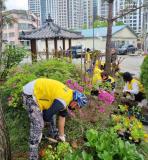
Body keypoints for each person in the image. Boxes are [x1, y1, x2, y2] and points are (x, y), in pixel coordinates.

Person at [22, 78, 88, 160]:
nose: (76, 109)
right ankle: (33, 155)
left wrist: (62, 136)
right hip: (31, 94)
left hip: (39, 92)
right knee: (38, 125)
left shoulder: (69, 96)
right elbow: (46, 116)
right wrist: (39, 131)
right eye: (78, 106)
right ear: (75, 102)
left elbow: (62, 116)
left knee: (52, 112)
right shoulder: (63, 101)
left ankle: (54, 134)